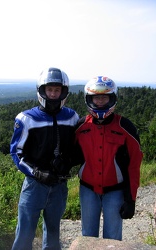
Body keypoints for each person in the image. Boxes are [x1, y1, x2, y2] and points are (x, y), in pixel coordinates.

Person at [10, 67, 79, 250]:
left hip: (59, 184)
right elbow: (17, 153)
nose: (53, 94)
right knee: (24, 233)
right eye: (50, 90)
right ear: (42, 91)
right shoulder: (27, 118)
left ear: (63, 92)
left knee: (54, 233)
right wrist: (37, 172)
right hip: (34, 185)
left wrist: (69, 161)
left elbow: (77, 147)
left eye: (57, 90)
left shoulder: (72, 117)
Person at [75, 76, 143, 241]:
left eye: (104, 97)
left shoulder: (126, 127)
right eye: (96, 97)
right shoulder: (81, 126)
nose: (99, 101)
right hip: (87, 190)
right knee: (88, 237)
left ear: (112, 98)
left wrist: (130, 199)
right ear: (89, 99)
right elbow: (71, 154)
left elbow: (134, 166)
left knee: (112, 239)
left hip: (115, 191)